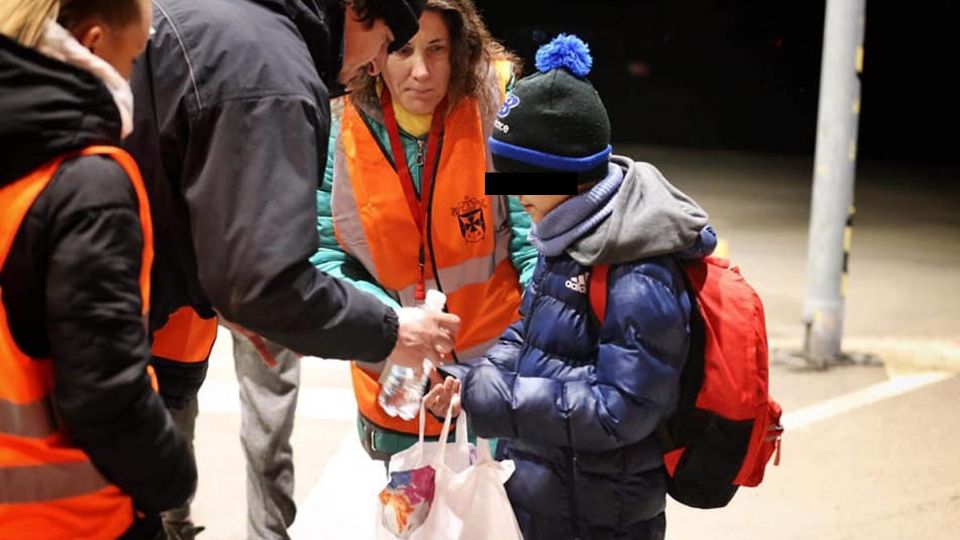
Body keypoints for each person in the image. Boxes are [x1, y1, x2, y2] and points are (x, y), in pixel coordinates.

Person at [123, 0, 462, 537]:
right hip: (108, 337)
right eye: (389, 43)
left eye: (435, 49)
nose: (380, 65)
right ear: (356, 9)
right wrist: (390, 328)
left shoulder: (233, 27)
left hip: (125, 316)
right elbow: (268, 280)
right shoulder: (274, 73)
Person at [227, 1, 537, 536]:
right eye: (404, 51)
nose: (420, 71)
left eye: (437, 50)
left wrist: (531, 351)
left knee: (502, 521)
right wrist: (395, 325)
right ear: (377, 54)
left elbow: (533, 241)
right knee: (410, 526)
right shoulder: (338, 125)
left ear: (460, 52)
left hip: (495, 382)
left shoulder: (494, 112)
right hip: (398, 387)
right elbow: (321, 252)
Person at [425, 34, 717, 539]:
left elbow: (619, 409)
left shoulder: (638, 266)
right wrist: (468, 381)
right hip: (549, 496)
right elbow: (528, 334)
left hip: (601, 516)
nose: (512, 195)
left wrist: (493, 398)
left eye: (520, 176)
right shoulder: (568, 233)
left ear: (568, 172)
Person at [0, 0, 196, 538]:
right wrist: (173, 477)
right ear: (89, 46)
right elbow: (104, 394)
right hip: (74, 515)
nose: (134, 79)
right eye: (134, 59)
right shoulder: (90, 184)